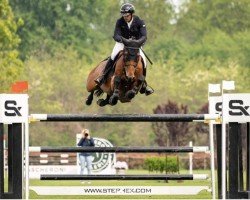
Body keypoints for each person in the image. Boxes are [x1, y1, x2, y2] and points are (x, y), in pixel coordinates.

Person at [95, 3, 154, 96]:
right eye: (123, 15)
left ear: (131, 14)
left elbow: (144, 36)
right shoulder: (120, 22)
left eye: (127, 15)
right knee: (113, 55)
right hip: (122, 44)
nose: (125, 17)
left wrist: (137, 42)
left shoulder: (140, 22)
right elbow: (116, 35)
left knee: (144, 61)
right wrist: (123, 40)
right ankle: (103, 76)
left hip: (135, 45)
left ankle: (144, 84)